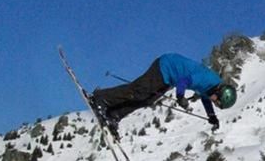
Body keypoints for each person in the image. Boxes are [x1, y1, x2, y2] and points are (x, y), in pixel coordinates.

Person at [89, 53, 237, 139]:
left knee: (147, 100)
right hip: (165, 67)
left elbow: (205, 97)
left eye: (218, 105)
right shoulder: (207, 79)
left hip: (170, 78)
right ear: (219, 92)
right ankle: (101, 98)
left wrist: (211, 115)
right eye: (217, 102)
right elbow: (184, 81)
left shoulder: (212, 90)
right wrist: (180, 97)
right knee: (138, 91)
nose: (215, 103)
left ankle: (113, 115)